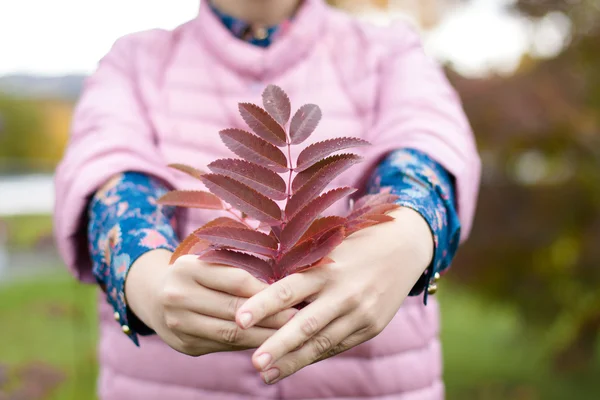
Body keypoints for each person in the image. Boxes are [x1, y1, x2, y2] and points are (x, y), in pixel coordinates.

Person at [53, 0, 481, 398]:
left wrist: (406, 235)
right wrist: (146, 279)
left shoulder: (391, 52)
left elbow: (425, 154)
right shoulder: (133, 62)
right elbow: (111, 177)